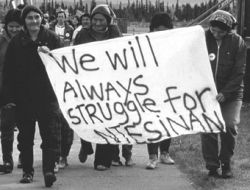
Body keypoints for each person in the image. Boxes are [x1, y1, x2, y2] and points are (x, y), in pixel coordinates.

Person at [1, 5, 61, 187]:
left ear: (41, 19)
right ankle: (28, 171)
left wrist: (49, 55)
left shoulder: (52, 38)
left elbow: (63, 66)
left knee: (49, 137)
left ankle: (48, 170)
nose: (34, 21)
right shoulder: (16, 42)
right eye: (29, 18)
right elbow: (8, 72)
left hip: (47, 97)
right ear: (24, 21)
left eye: (37, 17)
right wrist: (7, 99)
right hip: (23, 98)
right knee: (25, 138)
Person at [74, 4, 134, 170]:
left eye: (101, 20)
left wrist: (114, 27)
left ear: (108, 21)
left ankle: (102, 160)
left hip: (108, 87)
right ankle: (86, 144)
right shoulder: (82, 34)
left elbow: (123, 52)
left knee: (106, 121)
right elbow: (72, 56)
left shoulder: (113, 33)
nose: (97, 23)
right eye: (95, 20)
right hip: (88, 85)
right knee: (87, 119)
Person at [201, 10, 246, 178]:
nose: (216, 34)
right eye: (213, 31)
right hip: (208, 93)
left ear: (229, 30)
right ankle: (212, 166)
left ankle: (226, 163)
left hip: (232, 94)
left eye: (221, 32)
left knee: (229, 125)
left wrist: (226, 93)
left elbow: (239, 72)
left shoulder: (238, 42)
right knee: (208, 128)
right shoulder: (203, 38)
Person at [145, 13, 175, 170]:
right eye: (158, 29)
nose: (161, 32)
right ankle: (152, 156)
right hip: (149, 89)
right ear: (152, 29)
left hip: (168, 88)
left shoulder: (174, 44)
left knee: (168, 120)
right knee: (151, 121)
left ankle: (165, 152)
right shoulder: (144, 44)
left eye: (164, 29)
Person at [0, 9, 22, 174]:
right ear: (6, 26)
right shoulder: (1, 42)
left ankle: (24, 156)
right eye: (11, 26)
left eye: (17, 26)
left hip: (22, 90)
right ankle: (7, 159)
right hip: (3, 90)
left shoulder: (25, 40)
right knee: (6, 128)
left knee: (25, 127)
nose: (14, 29)